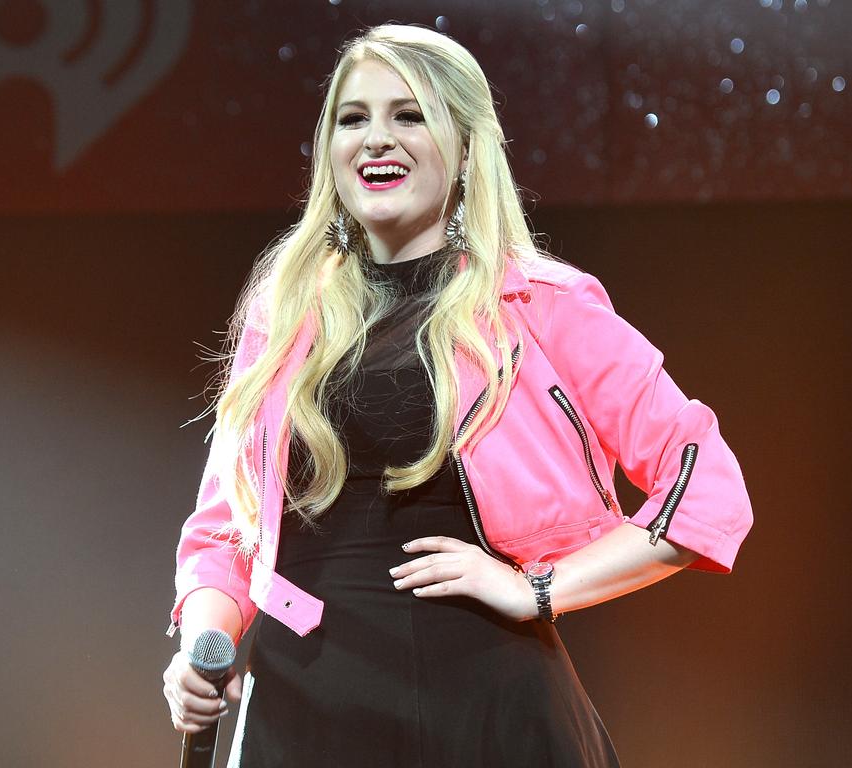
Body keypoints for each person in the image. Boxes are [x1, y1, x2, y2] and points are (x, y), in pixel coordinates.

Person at [162, 24, 752, 767]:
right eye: (354, 118)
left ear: (468, 148)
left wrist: (538, 590)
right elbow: (223, 529)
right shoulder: (285, 317)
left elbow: (707, 493)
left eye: (410, 115)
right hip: (307, 706)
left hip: (486, 703)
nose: (377, 139)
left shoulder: (542, 303)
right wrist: (199, 646)